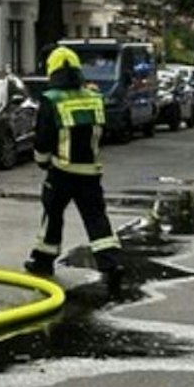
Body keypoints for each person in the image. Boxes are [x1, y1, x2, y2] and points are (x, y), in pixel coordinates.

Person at [25, 45, 124, 295]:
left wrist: (42, 161)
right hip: (90, 173)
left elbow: (43, 138)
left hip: (61, 171)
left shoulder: (51, 100)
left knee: (53, 214)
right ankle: (111, 264)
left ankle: (43, 262)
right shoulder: (94, 97)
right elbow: (104, 131)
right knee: (96, 218)